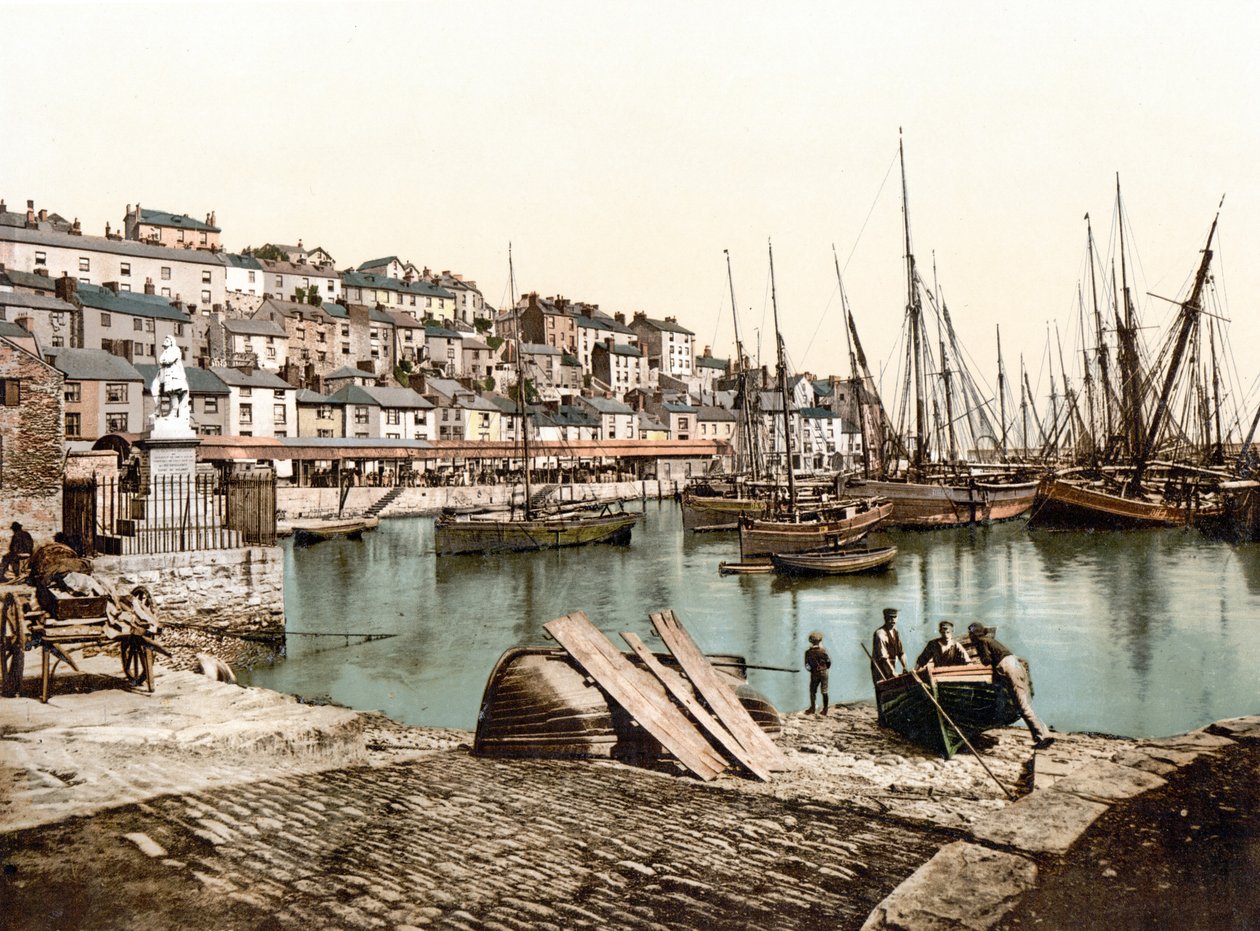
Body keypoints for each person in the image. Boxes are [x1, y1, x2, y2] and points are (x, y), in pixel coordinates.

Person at [967, 622, 1054, 749]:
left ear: (973, 634)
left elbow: (987, 661)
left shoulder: (981, 641)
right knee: (1026, 703)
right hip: (1016, 664)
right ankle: (1045, 733)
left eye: (970, 633)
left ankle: (1042, 737)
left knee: (1022, 706)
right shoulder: (990, 640)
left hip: (1009, 668)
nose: (970, 636)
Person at [151, 335, 190, 423]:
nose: (165, 341)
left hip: (173, 375)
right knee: (155, 390)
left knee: (173, 393)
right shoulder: (164, 352)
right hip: (162, 374)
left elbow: (169, 360)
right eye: (165, 340)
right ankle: (157, 411)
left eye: (167, 340)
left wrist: (165, 361)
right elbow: (161, 361)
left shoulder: (175, 350)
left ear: (171, 342)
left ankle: (173, 412)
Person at [870, 607, 907, 683]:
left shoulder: (895, 632)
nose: (893, 619)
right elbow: (883, 657)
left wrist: (904, 667)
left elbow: (901, 653)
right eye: (890, 617)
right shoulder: (880, 634)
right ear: (885, 618)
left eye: (895, 617)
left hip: (891, 666)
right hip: (880, 670)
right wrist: (892, 671)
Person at [804, 631, 831, 715]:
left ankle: (812, 708)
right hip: (824, 672)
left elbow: (807, 665)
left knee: (812, 691)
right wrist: (825, 668)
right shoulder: (823, 651)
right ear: (820, 641)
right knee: (824, 691)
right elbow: (828, 662)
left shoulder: (808, 652)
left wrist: (812, 671)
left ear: (811, 641)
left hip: (814, 673)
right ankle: (825, 710)